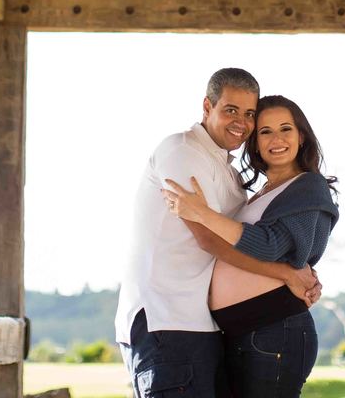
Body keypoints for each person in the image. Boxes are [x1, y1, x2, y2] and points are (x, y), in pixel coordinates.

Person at [115, 70, 321, 398]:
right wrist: (286, 274)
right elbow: (209, 238)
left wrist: (297, 270)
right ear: (207, 106)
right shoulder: (182, 151)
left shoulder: (230, 173)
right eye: (230, 110)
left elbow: (253, 240)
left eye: (249, 113)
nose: (240, 121)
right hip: (166, 318)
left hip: (205, 323)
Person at [164, 95, 339, 398]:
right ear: (255, 142)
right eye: (265, 131)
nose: (277, 139)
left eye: (286, 129)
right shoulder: (259, 195)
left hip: (274, 328)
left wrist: (201, 213)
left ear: (302, 136)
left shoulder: (308, 186)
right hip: (241, 330)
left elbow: (269, 245)